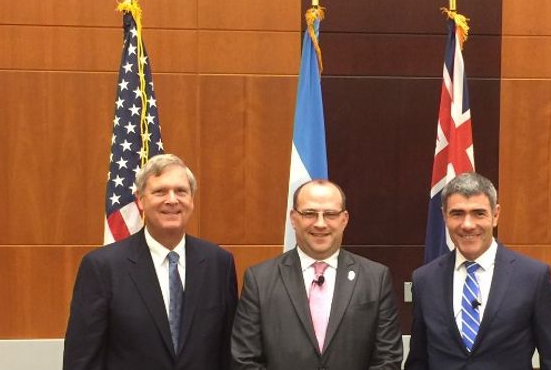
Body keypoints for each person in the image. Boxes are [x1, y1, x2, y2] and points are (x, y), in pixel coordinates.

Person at [63, 154, 237, 370]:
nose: (172, 200)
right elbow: (82, 360)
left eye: (181, 191)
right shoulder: (102, 267)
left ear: (191, 199)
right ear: (140, 200)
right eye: (160, 191)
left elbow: (228, 352)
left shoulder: (219, 264)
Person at [231, 179, 403, 370]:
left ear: (344, 219)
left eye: (330, 214)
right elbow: (245, 360)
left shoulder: (375, 278)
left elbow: (388, 359)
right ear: (293, 219)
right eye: (309, 214)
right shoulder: (259, 280)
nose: (320, 224)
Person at [405, 172, 551, 370]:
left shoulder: (533, 277)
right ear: (444, 216)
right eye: (457, 214)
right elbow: (418, 360)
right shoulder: (424, 280)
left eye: (478, 213)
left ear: (495, 215)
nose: (467, 225)